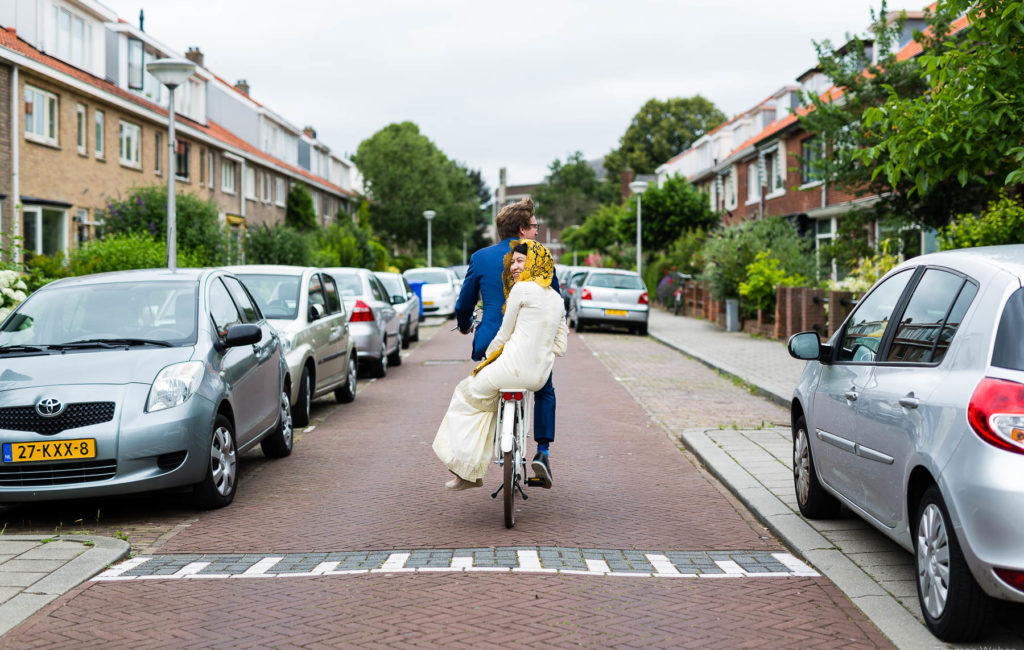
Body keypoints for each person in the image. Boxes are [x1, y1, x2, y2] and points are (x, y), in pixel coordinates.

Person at [434, 240, 568, 489]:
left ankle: (467, 472)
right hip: (538, 376)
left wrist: (486, 363)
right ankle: (538, 450)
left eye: (519, 261)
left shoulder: (521, 289)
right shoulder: (558, 301)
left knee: (466, 395)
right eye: (513, 262)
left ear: (534, 263)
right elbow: (560, 347)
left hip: (509, 369)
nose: (514, 267)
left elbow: (503, 337)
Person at [455, 197, 561, 488]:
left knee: (481, 397)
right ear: (523, 228)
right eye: (535, 226)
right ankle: (542, 451)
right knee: (545, 388)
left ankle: (469, 462)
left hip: (492, 342)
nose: (537, 232)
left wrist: (464, 325)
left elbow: (464, 303)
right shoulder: (539, 257)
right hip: (529, 346)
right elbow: (554, 302)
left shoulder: (480, 257)